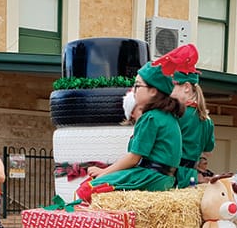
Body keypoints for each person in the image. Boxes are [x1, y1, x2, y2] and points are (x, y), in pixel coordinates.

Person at [78, 58, 184, 201]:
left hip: (151, 177)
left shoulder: (150, 118)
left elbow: (133, 158)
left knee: (87, 189)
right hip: (166, 179)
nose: (134, 90)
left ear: (153, 91)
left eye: (137, 85)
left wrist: (104, 172)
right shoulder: (169, 117)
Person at [168, 45, 216, 188]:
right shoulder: (207, 120)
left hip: (172, 176)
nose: (169, 91)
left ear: (187, 87)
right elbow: (208, 151)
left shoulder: (177, 114)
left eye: (173, 85)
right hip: (191, 177)